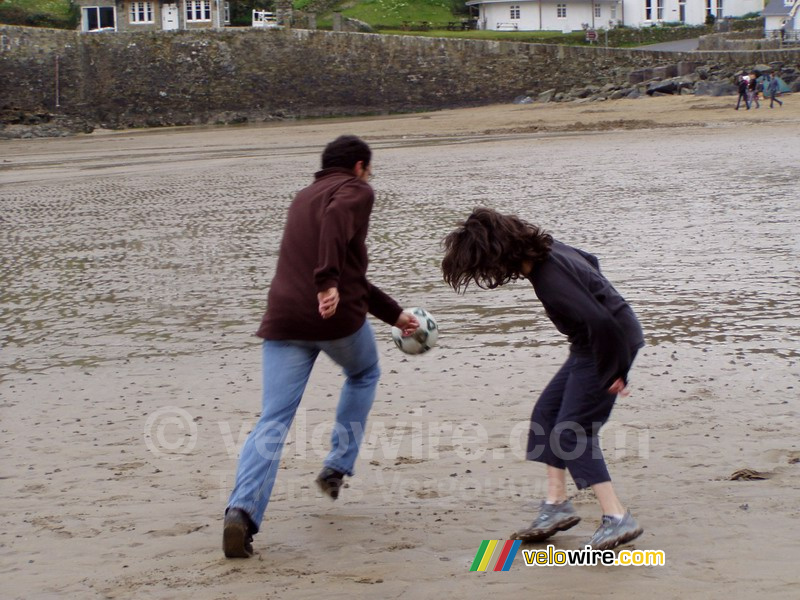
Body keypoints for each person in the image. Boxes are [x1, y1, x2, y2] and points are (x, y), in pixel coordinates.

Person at [222, 135, 419, 558]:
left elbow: (353, 273)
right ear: (360, 166)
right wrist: (327, 282)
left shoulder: (301, 198)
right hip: (332, 319)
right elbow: (337, 223)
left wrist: (395, 315)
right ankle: (338, 464)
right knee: (364, 373)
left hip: (283, 319)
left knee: (273, 419)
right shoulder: (356, 190)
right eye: (369, 169)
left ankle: (241, 511)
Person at [441, 208, 645, 551]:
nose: (486, 275)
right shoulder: (547, 249)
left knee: (572, 431)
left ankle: (617, 517)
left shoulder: (549, 278)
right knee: (545, 417)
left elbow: (602, 321)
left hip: (608, 344)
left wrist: (615, 369)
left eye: (481, 267)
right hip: (591, 343)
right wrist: (595, 296)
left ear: (495, 256)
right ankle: (555, 506)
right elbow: (590, 262)